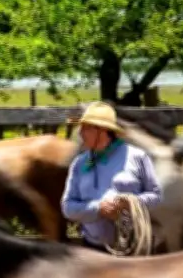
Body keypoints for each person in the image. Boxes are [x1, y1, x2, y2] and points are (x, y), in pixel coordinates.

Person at [61, 101, 162, 253]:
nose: (80, 133)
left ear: (102, 131)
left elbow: (156, 197)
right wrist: (98, 208)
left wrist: (131, 203)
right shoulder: (79, 164)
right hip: (93, 249)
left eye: (86, 128)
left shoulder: (138, 157)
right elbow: (67, 207)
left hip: (134, 248)